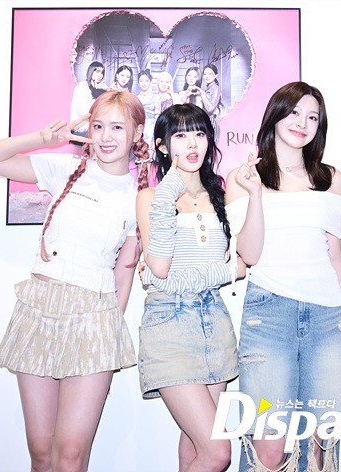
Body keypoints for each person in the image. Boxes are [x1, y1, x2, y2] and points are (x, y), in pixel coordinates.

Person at [0, 90, 148, 471]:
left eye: (117, 127)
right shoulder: (65, 169)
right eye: (98, 126)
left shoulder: (138, 197)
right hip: (39, 308)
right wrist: (40, 138)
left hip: (94, 319)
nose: (105, 136)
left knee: (70, 456)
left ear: (137, 133)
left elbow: (124, 270)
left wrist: (109, 336)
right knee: (40, 451)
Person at [226, 81, 341, 472]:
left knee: (320, 444)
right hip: (269, 316)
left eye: (313, 117)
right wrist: (256, 195)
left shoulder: (331, 179)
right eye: (295, 112)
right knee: (268, 448)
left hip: (327, 319)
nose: (302, 123)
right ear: (276, 114)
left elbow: (335, 255)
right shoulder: (242, 178)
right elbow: (249, 254)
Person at [136, 103, 238, 472]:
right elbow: (161, 268)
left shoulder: (222, 194)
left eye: (199, 133)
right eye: (180, 135)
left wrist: (226, 270)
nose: (192, 143)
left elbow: (241, 264)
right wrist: (171, 187)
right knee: (218, 453)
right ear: (162, 146)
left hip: (214, 321)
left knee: (195, 449)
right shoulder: (152, 197)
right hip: (169, 323)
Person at [70, 61, 108, 135]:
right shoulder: (82, 87)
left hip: (93, 129)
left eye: (102, 73)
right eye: (97, 72)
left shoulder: (100, 87)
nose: (100, 75)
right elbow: (83, 112)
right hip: (80, 130)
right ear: (91, 71)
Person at [200, 64, 225, 143]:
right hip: (207, 121)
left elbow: (210, 108)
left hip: (212, 122)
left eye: (210, 74)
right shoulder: (208, 88)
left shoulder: (216, 88)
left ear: (215, 76)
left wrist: (203, 94)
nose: (207, 76)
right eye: (205, 74)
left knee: (211, 145)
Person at [137, 69, 159, 154]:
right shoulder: (136, 98)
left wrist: (155, 134)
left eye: (146, 81)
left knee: (150, 153)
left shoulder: (156, 97)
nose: (144, 83)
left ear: (150, 82)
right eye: (141, 81)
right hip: (139, 128)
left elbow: (157, 117)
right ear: (138, 83)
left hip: (151, 128)